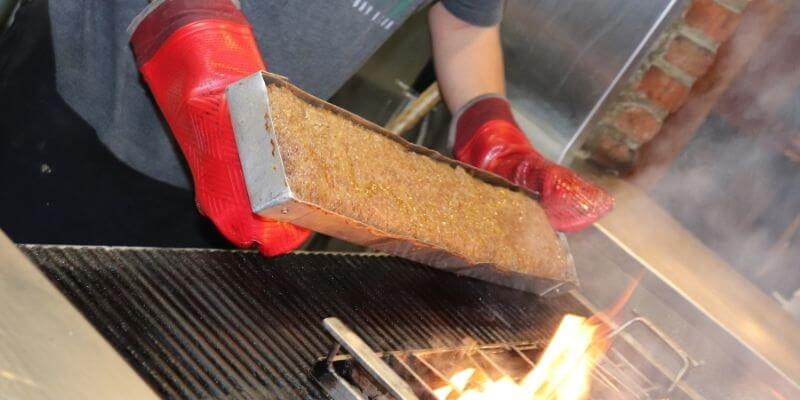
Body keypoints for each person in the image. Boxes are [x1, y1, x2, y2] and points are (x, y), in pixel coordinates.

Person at [0, 0, 612, 254]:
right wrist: (207, 66)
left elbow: (467, 23)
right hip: (77, 111)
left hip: (255, 163)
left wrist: (491, 131)